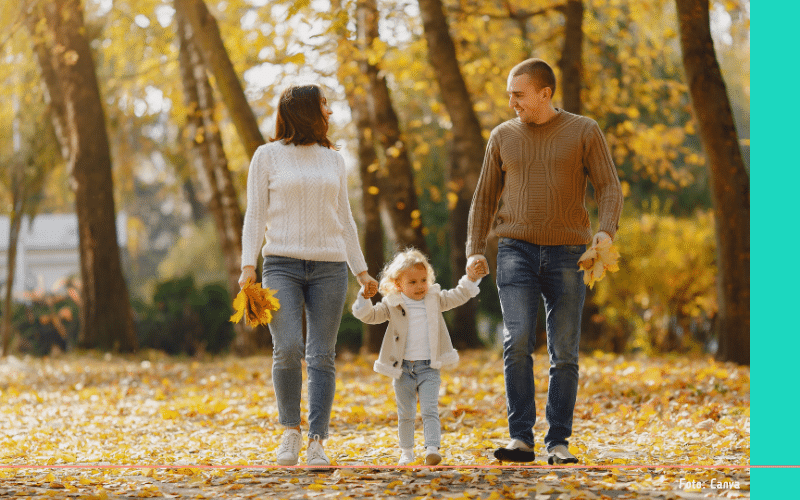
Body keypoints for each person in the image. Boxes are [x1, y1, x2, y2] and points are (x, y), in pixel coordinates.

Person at [465, 58, 623, 464]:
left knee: (564, 350)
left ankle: (558, 441)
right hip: (515, 248)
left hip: (569, 253)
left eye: (518, 94)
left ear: (544, 93)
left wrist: (605, 231)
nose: (512, 102)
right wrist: (474, 249)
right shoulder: (502, 136)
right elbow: (484, 197)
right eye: (509, 95)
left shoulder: (584, 130)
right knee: (516, 340)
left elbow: (609, 187)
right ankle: (520, 438)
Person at [239, 83, 379, 467]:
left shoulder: (333, 159)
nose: (329, 112)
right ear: (304, 111)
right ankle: (290, 432)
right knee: (286, 348)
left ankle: (317, 440)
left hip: (330, 268)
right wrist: (247, 265)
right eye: (323, 105)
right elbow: (255, 214)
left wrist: (362, 270)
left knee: (322, 355)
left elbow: (345, 218)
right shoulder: (266, 156)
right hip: (280, 264)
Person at [351, 248, 486, 466]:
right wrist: (363, 298)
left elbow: (459, 295)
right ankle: (406, 452)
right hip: (402, 369)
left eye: (423, 280)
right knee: (405, 413)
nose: (419, 286)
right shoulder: (392, 304)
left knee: (430, 409)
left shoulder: (435, 299)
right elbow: (370, 316)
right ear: (398, 284)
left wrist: (470, 279)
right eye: (412, 282)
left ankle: (432, 448)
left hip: (429, 367)